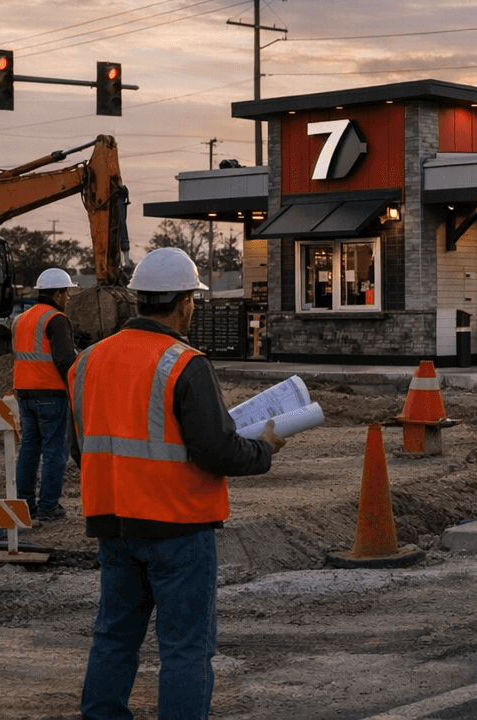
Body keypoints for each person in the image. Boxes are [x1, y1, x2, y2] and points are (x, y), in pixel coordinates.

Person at [70, 247, 287, 720]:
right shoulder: (185, 363)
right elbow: (216, 451)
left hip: (113, 523)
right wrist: (264, 450)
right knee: (185, 649)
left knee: (113, 636)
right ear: (185, 301)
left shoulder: (87, 362)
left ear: (139, 299)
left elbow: (80, 449)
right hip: (177, 526)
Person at [12, 267, 81, 523]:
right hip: (51, 393)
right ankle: (49, 507)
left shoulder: (21, 319)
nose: (69, 298)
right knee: (55, 450)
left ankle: (25, 505)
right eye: (68, 293)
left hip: (24, 392)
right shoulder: (56, 319)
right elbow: (65, 360)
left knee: (29, 448)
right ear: (59, 293)